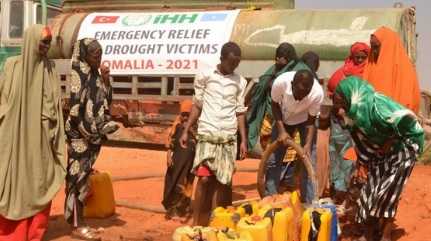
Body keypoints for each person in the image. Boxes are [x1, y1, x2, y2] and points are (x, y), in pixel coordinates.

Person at [332, 77, 424, 241]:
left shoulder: (375, 105)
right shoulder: (354, 114)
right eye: (338, 105)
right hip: (381, 150)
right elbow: (360, 141)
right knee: (369, 189)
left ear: (351, 95)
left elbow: (408, 119)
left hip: (406, 145)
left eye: (342, 103)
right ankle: (369, 231)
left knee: (388, 190)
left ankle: (386, 234)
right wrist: (363, 162)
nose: (340, 110)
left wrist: (390, 141)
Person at [0, 25, 66, 241]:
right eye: (43, 41)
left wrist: (51, 132)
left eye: (49, 42)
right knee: (13, 184)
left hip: (40, 143)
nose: (47, 46)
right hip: (13, 138)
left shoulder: (50, 69)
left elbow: (54, 107)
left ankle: (34, 234)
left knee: (40, 181)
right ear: (30, 40)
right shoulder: (12, 66)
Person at [180, 42, 248, 226]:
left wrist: (243, 140)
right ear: (222, 58)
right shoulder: (205, 76)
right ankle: (196, 223)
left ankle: (214, 223)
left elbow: (240, 111)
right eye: (231, 62)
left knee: (221, 181)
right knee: (203, 179)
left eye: (237, 63)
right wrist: (186, 130)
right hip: (207, 133)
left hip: (228, 136)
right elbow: (197, 105)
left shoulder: (240, 82)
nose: (234, 66)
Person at [64, 38, 118, 240]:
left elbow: (104, 101)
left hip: (92, 135)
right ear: (84, 55)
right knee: (77, 179)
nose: (98, 59)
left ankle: (81, 222)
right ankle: (77, 225)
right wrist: (88, 133)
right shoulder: (79, 72)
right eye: (95, 56)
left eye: (100, 56)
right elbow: (76, 110)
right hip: (80, 136)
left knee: (84, 178)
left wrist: (105, 80)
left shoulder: (95, 74)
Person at [266, 69, 324, 203]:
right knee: (273, 159)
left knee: (308, 160)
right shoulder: (280, 83)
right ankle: (270, 198)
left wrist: (308, 145)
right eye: (299, 92)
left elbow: (311, 121)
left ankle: (309, 202)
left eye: (305, 94)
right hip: (283, 118)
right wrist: (281, 131)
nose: (301, 97)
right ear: (292, 84)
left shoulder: (317, 93)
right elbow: (274, 105)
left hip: (305, 120)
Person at [326, 42, 370, 201]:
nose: (359, 59)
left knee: (355, 155)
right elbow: (332, 86)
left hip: (360, 120)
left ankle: (351, 190)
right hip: (339, 118)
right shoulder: (344, 71)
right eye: (356, 56)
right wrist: (340, 109)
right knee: (337, 151)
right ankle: (337, 187)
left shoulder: (371, 72)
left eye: (362, 57)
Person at [247, 42, 310, 152]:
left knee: (291, 149)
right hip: (272, 113)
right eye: (276, 56)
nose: (276, 59)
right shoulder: (274, 68)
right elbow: (264, 85)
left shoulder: (300, 70)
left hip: (295, 116)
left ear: (288, 57)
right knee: (270, 148)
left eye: (280, 57)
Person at [363, 26, 420, 113]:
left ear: (388, 45)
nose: (373, 51)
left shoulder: (405, 69)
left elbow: (408, 100)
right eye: (372, 46)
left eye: (376, 47)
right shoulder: (370, 66)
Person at [162, 100, 196, 222]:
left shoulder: (195, 127)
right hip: (177, 162)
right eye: (183, 114)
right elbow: (170, 143)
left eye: (188, 114)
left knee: (187, 186)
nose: (186, 117)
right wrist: (168, 156)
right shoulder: (176, 126)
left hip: (190, 163)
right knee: (174, 183)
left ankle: (183, 210)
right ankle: (171, 211)